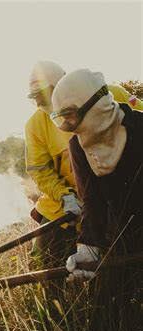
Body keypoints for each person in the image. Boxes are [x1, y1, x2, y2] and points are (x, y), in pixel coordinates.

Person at [51, 68, 142, 331]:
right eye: (61, 119)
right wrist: (88, 248)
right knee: (110, 322)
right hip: (121, 240)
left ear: (97, 102)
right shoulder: (78, 149)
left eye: (70, 114)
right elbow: (92, 203)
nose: (68, 125)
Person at [25, 61, 142, 273]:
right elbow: (40, 170)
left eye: (43, 93)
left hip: (115, 194)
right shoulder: (39, 127)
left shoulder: (108, 92)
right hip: (65, 205)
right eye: (35, 97)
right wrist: (65, 196)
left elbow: (136, 116)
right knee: (43, 262)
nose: (40, 101)